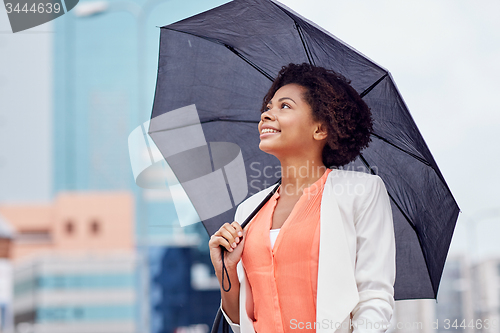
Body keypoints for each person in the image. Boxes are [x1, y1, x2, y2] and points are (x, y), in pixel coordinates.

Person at [209, 63, 396, 333]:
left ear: (320, 129)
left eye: (284, 106)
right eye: (268, 107)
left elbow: (374, 299)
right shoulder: (248, 210)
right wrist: (225, 269)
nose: (266, 115)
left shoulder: (361, 193)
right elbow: (241, 321)